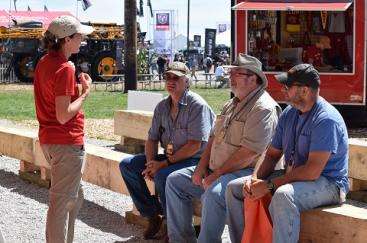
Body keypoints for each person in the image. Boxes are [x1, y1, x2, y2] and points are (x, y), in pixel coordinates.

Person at [226, 64, 349, 243]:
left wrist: (268, 185)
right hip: (294, 177)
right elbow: (271, 155)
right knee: (235, 189)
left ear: (304, 90)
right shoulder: (289, 113)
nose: (283, 90)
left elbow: (311, 172)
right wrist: (254, 179)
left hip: (329, 184)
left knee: (283, 196)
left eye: (287, 86)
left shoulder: (326, 119)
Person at [165, 54, 281, 243]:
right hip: (218, 169)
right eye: (230, 72)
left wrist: (215, 174)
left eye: (236, 73)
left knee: (213, 193)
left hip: (247, 172)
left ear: (253, 78)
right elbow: (212, 139)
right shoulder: (232, 103)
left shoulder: (263, 108)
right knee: (175, 181)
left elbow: (249, 153)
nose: (230, 76)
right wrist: (201, 168)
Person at [119, 61, 215, 240]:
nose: (171, 81)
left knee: (164, 174)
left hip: (196, 161)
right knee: (127, 165)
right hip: (171, 158)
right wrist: (150, 164)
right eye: (167, 77)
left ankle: (172, 227)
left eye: (176, 78)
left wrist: (162, 164)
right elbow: (152, 138)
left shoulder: (197, 106)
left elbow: (195, 145)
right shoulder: (162, 106)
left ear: (187, 81)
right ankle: (152, 215)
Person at [33, 15, 94, 243]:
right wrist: (86, 93)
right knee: (60, 204)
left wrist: (77, 87)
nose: (82, 39)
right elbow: (63, 115)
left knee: (73, 197)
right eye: (79, 36)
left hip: (50, 141)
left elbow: (54, 97)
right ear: (66, 39)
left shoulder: (45, 62)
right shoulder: (66, 67)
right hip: (66, 142)